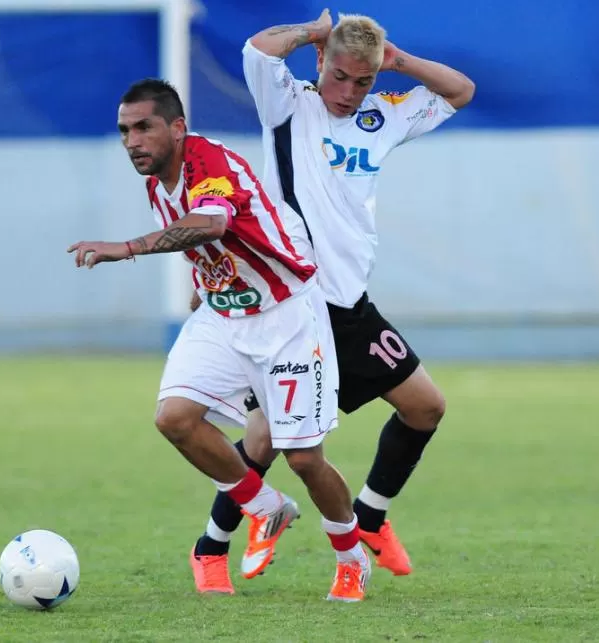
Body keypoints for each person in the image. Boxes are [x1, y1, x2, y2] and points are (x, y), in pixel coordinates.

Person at [188, 10, 476, 591]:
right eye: (339, 76)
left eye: (361, 80)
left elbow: (461, 90)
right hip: (293, 302)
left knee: (425, 408)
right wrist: (317, 32)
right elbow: (259, 49)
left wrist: (398, 62)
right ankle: (209, 549)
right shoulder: (290, 104)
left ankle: (369, 517)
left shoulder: (383, 115)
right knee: (268, 437)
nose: (347, 92)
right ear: (319, 63)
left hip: (351, 306)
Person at [68, 78, 371, 601]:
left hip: (287, 317)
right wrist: (202, 280)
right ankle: (266, 507)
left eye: (144, 127)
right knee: (175, 418)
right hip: (223, 315)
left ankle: (351, 558)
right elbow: (211, 243)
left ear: (177, 127)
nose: (132, 141)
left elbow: (209, 224)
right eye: (124, 131)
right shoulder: (156, 184)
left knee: (304, 459)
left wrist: (125, 247)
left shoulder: (206, 159)